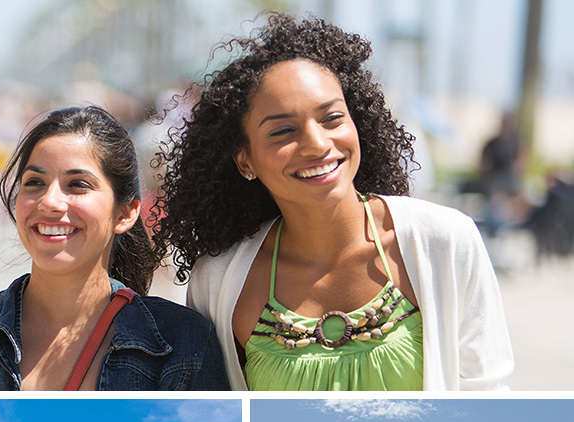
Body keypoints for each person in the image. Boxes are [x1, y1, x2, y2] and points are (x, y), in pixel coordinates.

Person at [151, 13, 514, 391]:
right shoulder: (219, 280)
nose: (317, 144)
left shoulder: (443, 241)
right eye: (283, 130)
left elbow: (487, 409)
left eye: (332, 118)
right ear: (245, 160)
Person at [0, 105, 229, 391]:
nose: (49, 202)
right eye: (34, 183)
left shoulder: (185, 347)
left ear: (126, 213)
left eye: (78, 185)